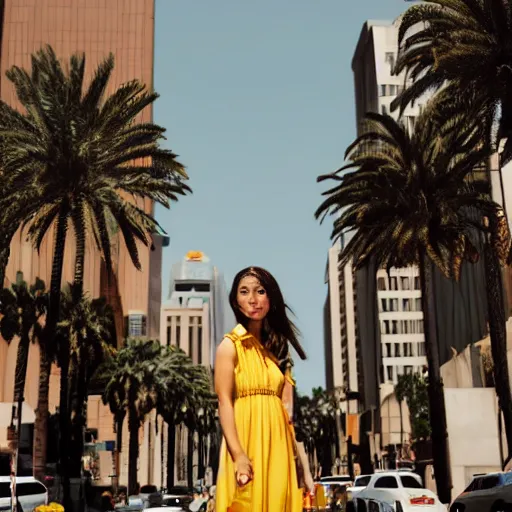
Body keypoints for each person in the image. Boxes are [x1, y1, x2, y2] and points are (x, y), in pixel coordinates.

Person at [215, 266, 310, 512]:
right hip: (247, 440)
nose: (253, 299)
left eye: (260, 291)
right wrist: (239, 455)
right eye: (244, 292)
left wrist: (303, 468)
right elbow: (224, 402)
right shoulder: (229, 346)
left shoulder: (272, 352)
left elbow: (288, 413)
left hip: (278, 445)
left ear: (270, 298)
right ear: (236, 301)